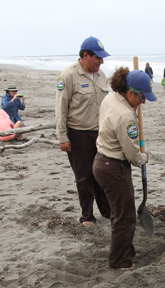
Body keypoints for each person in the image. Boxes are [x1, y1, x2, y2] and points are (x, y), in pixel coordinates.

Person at [93, 68, 156, 270]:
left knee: (119, 212)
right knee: (125, 217)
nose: (143, 103)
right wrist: (143, 158)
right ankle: (119, 261)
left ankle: (126, 250)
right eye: (142, 98)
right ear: (130, 93)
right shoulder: (126, 117)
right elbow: (132, 155)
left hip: (101, 162)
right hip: (114, 167)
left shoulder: (110, 99)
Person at [55, 36, 112, 227]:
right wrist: (62, 137)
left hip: (100, 133)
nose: (101, 62)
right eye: (98, 58)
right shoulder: (68, 76)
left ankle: (107, 211)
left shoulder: (101, 75)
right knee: (84, 176)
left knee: (102, 173)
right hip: (78, 134)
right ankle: (87, 216)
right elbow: (61, 108)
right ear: (85, 55)